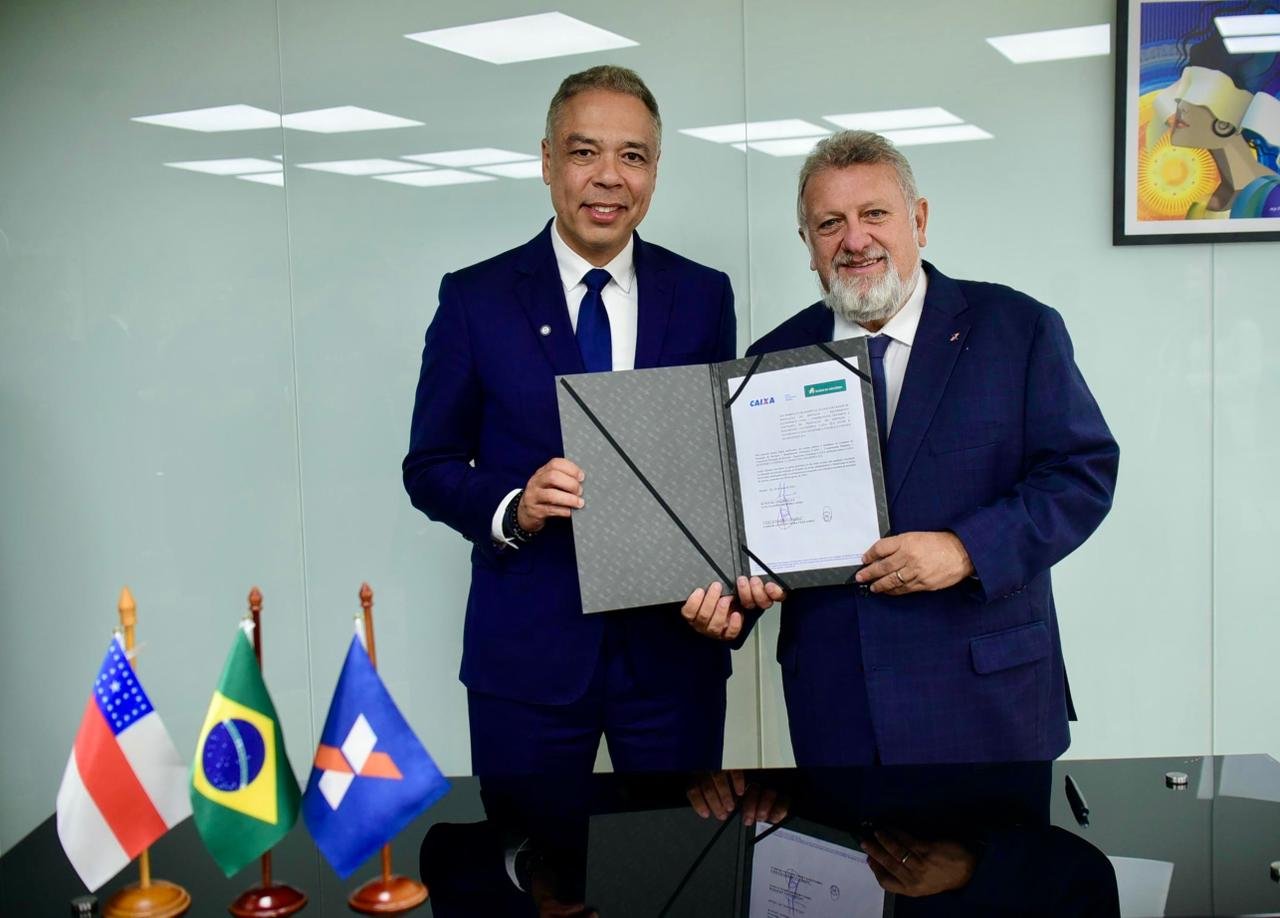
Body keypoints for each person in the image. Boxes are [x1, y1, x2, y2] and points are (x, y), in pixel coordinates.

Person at [690, 130, 1118, 766]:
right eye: (830, 223)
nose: (854, 239)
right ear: (807, 244)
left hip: (989, 701)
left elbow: (1082, 476)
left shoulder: (1017, 328)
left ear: (918, 220)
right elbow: (751, 523)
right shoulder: (770, 360)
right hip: (838, 709)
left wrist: (965, 550)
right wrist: (731, 602)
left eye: (874, 214)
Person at [403, 65, 751, 775]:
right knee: (526, 846)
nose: (609, 177)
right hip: (526, 660)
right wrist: (515, 507)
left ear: (655, 170)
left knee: (672, 846)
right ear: (547, 161)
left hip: (672, 657)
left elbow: (721, 466)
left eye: (633, 156)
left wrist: (732, 593)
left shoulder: (703, 295)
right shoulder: (475, 299)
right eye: (584, 151)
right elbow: (430, 466)